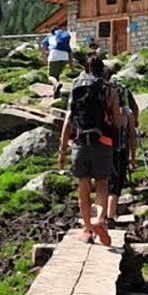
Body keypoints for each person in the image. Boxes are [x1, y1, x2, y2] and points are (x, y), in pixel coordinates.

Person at [58, 55, 123, 245]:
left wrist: (62, 150)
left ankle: (87, 229)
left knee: (83, 189)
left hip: (80, 142)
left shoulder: (76, 86)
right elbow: (117, 122)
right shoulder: (109, 89)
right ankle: (100, 220)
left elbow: (68, 120)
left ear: (85, 69)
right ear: (102, 70)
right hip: (103, 142)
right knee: (102, 184)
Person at [106, 69, 139, 223]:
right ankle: (110, 217)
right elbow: (132, 136)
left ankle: (100, 214)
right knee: (115, 185)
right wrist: (133, 157)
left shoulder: (105, 112)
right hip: (120, 151)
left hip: (103, 150)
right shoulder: (127, 113)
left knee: (103, 183)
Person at [45, 26, 73, 97]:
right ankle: (57, 93)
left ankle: (57, 85)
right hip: (64, 57)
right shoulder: (65, 39)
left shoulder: (51, 37)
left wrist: (44, 56)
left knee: (50, 77)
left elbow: (43, 45)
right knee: (56, 76)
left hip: (54, 56)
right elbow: (70, 53)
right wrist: (71, 66)